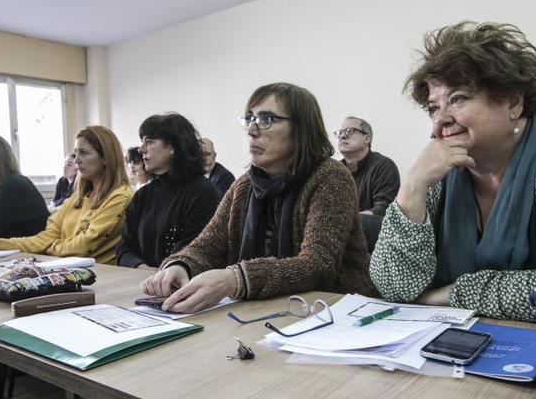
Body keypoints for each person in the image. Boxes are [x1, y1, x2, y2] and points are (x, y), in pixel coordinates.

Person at [370, 22, 536, 322]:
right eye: (433, 107)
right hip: (449, 350)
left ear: (513, 101)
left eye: (457, 99)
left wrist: (454, 293)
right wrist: (413, 187)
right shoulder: (438, 174)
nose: (439, 122)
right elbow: (395, 287)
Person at [141, 82, 376, 313]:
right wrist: (182, 265)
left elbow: (317, 265)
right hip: (267, 310)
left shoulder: (330, 177)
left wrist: (234, 279)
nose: (252, 131)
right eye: (250, 119)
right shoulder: (244, 185)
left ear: (302, 129)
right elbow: (207, 245)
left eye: (266, 119)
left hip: (334, 312)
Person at [0, 126, 133, 265]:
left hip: (103, 276)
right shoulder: (77, 199)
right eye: (76, 154)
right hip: (66, 269)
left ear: (106, 158)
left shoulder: (119, 196)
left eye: (84, 153)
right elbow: (44, 238)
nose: (77, 161)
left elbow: (83, 246)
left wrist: (50, 247)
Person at [116, 114, 219, 269]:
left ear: (173, 146)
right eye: (142, 142)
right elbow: (123, 248)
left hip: (182, 284)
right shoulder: (143, 195)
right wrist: (141, 268)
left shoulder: (203, 193)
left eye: (149, 142)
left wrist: (160, 274)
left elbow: (194, 251)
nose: (141, 149)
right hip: (141, 281)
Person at [335, 116, 400, 216]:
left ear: (367, 139)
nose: (342, 136)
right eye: (340, 132)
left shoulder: (383, 166)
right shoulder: (333, 171)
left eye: (350, 131)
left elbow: (384, 209)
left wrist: (348, 223)